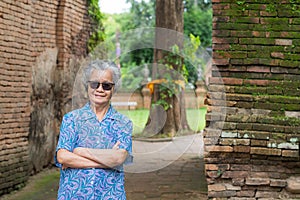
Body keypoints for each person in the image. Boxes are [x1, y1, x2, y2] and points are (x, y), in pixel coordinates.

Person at [55, 59, 133, 200]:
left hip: (110, 195)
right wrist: (106, 162)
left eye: (106, 85)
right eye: (94, 84)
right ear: (87, 86)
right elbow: (62, 157)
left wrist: (80, 151)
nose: (100, 89)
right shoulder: (71, 119)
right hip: (73, 195)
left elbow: (119, 158)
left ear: (114, 89)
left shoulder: (123, 123)